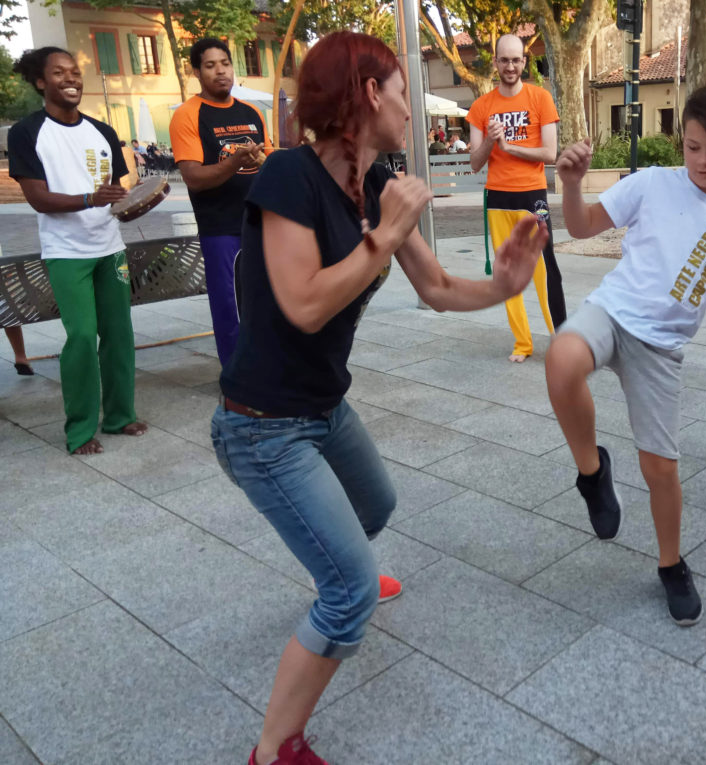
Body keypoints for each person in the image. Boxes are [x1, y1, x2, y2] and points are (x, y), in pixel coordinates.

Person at [210, 31, 547, 765]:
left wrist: (502, 286)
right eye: (402, 90)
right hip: (263, 425)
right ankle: (274, 747)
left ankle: (336, 561)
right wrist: (383, 236)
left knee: (376, 509)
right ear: (368, 94)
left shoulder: (376, 178)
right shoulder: (287, 179)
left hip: (323, 408)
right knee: (351, 594)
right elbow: (302, 304)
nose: (412, 106)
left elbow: (434, 286)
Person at [548, 79, 706, 625]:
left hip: (663, 347)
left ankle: (671, 565)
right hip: (613, 309)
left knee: (660, 469)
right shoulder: (651, 183)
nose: (703, 159)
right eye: (693, 146)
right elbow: (579, 227)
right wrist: (572, 184)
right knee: (561, 360)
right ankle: (593, 473)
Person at [8, 47, 147, 454]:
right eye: (59, 72)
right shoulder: (28, 132)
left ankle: (120, 416)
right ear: (40, 82)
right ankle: (81, 429)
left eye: (75, 71)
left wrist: (139, 201)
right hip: (66, 252)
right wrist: (90, 199)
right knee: (83, 337)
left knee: (119, 334)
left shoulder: (102, 131)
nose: (71, 78)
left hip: (110, 248)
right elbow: (38, 198)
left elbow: (116, 195)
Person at [169, 38, 269, 367]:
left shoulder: (252, 111)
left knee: (267, 299)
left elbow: (266, 162)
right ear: (196, 71)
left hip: (262, 221)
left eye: (225, 63)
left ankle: (270, 366)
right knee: (229, 305)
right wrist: (234, 163)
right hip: (220, 226)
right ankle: (237, 376)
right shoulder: (187, 115)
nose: (220, 71)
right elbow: (194, 178)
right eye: (210, 66)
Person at [468, 34, 564, 362]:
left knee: (545, 271)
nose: (510, 66)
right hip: (497, 198)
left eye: (516, 60)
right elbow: (475, 162)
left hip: (532, 194)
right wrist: (491, 143)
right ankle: (522, 344)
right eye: (504, 60)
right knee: (507, 272)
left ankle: (562, 342)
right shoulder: (481, 106)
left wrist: (510, 147)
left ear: (525, 62)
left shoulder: (541, 99)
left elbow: (550, 153)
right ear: (495, 62)